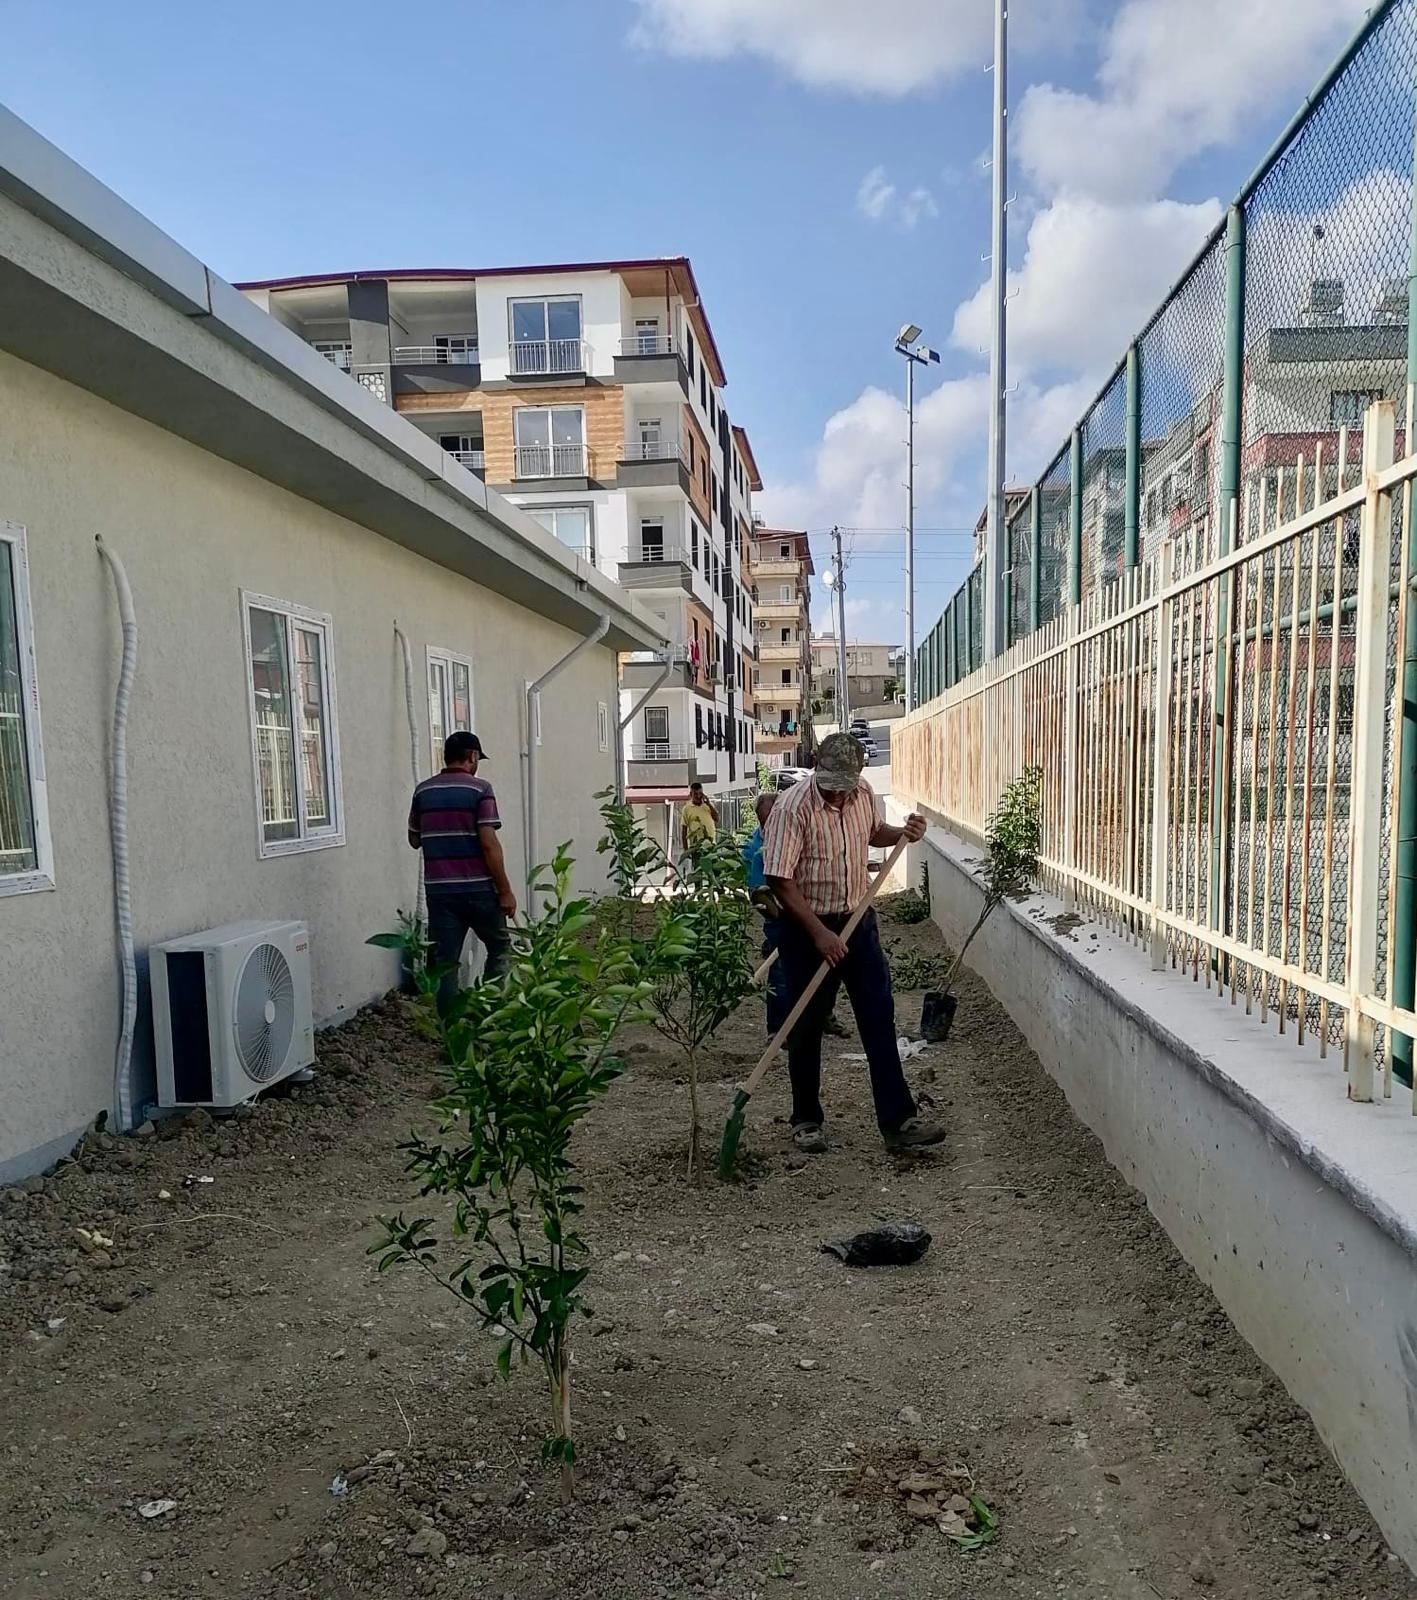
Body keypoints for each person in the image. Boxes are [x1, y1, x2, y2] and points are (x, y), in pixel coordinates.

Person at [763, 732, 944, 1154]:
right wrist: (819, 933)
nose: (838, 793)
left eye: (844, 785)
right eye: (831, 784)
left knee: (878, 1018)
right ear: (817, 770)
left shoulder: (862, 793)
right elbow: (780, 879)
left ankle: (898, 1121)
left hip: (858, 921)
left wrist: (903, 832)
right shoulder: (792, 809)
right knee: (806, 1026)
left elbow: (874, 832)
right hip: (808, 928)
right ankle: (806, 1119)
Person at [408, 731, 517, 1014]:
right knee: (500, 948)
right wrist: (505, 890)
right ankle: (490, 1016)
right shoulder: (480, 789)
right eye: (478, 757)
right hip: (480, 890)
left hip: (441, 893)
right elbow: (489, 843)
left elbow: (414, 839)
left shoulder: (423, 791)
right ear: (472, 756)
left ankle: (451, 1030)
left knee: (445, 964)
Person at [742, 792, 790, 1034]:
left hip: (800, 907)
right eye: (763, 821)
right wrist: (784, 918)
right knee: (780, 967)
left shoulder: (789, 833)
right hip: (777, 911)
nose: (767, 826)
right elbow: (758, 892)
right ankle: (777, 1028)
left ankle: (822, 1016)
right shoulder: (758, 846)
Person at [680, 781, 719, 860]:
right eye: (695, 794)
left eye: (700, 793)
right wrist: (686, 850)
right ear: (691, 794)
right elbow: (684, 830)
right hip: (696, 847)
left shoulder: (708, 806)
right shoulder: (687, 808)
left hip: (711, 844)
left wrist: (708, 804)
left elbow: (717, 819)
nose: (698, 796)